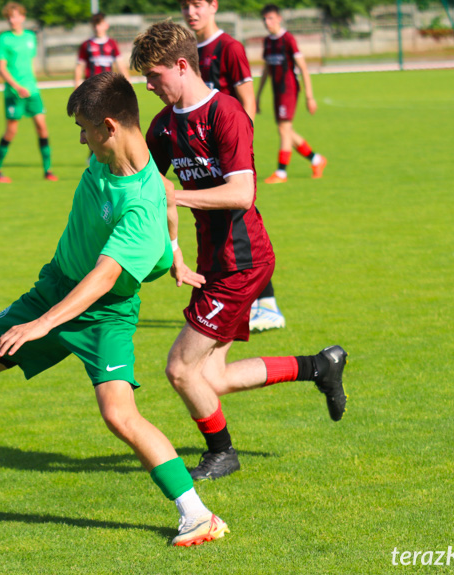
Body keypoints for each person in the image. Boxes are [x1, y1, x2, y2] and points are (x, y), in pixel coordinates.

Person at [0, 72, 229, 547]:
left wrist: (42, 324)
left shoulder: (138, 207)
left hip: (104, 313)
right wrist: (175, 253)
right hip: (53, 286)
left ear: (109, 126)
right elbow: (169, 195)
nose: (80, 138)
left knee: (119, 415)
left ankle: (198, 516)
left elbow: (103, 277)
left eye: (84, 128)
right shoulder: (111, 158)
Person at [131, 21, 348, 482]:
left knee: (179, 369)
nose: (148, 86)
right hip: (214, 262)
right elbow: (145, 181)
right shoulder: (164, 125)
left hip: (241, 261)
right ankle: (321, 366)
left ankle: (222, 453)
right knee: (214, 379)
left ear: (182, 66)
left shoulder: (225, 114)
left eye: (153, 76)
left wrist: (177, 196)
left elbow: (241, 193)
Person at [180, 0, 285, 332]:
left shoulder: (230, 47)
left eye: (197, 4)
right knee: (221, 231)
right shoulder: (188, 49)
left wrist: (238, 154)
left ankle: (264, 305)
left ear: (213, 5)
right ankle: (256, 305)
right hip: (201, 155)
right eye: (184, 6)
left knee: (240, 227)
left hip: (227, 157)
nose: (190, 12)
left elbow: (247, 100)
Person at [256, 4, 327, 186]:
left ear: (279, 18)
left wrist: (310, 97)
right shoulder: (268, 42)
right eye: (264, 19)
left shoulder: (288, 39)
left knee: (283, 130)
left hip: (289, 90)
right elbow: (266, 69)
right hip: (276, 91)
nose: (267, 22)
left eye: (270, 18)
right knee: (287, 130)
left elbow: (303, 67)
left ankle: (281, 172)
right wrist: (257, 95)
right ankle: (316, 160)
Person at [0, 2, 57, 184]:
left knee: (42, 128)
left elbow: (30, 64)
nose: (13, 20)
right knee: (11, 131)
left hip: (32, 91)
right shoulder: (4, 39)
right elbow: (2, 69)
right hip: (14, 92)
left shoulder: (30, 37)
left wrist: (31, 84)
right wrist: (17, 86)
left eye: (15, 16)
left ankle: (48, 170)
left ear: (22, 17)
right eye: (9, 17)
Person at [74, 13, 129, 89]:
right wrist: (77, 83)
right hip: (91, 85)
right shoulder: (86, 44)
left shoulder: (112, 43)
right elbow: (80, 66)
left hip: (108, 85)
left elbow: (120, 64)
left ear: (106, 25)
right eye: (95, 25)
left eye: (99, 24)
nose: (97, 28)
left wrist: (128, 81)